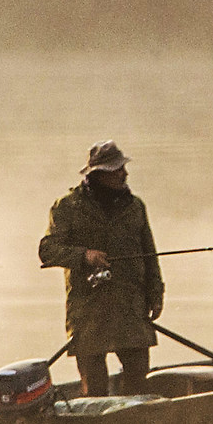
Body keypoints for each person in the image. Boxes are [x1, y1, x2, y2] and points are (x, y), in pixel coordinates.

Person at [38, 141, 165, 396]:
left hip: (131, 307)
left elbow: (150, 256)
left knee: (139, 381)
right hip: (89, 311)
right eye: (117, 169)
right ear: (97, 174)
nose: (124, 174)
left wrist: (156, 294)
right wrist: (84, 256)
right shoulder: (68, 206)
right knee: (94, 389)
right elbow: (47, 250)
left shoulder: (135, 206)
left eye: (123, 168)